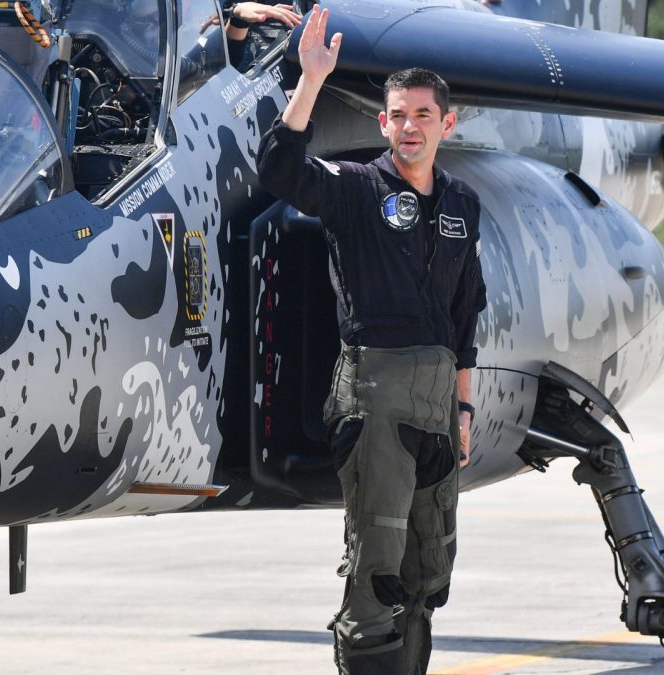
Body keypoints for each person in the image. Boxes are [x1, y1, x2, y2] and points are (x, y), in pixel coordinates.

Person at [254, 6, 486, 673]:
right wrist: (312, 79)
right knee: (375, 571)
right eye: (396, 115)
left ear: (446, 123)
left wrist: (463, 408)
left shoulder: (462, 204)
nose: (408, 127)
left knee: (428, 569)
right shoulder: (355, 190)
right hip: (377, 396)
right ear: (382, 123)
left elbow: (466, 309)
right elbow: (280, 169)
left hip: (438, 401)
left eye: (422, 115)